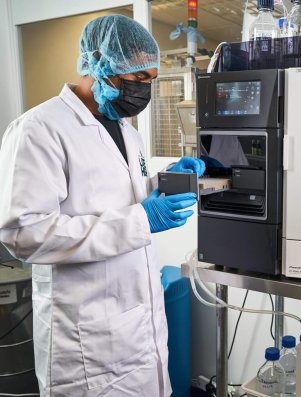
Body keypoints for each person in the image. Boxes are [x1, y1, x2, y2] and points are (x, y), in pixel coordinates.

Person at [0, 15, 202, 397]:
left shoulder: (126, 129)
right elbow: (24, 234)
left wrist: (163, 181)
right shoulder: (39, 130)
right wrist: (140, 221)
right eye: (139, 78)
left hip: (138, 324)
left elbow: (121, 194)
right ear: (98, 61)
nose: (145, 89)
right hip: (87, 340)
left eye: (151, 80)